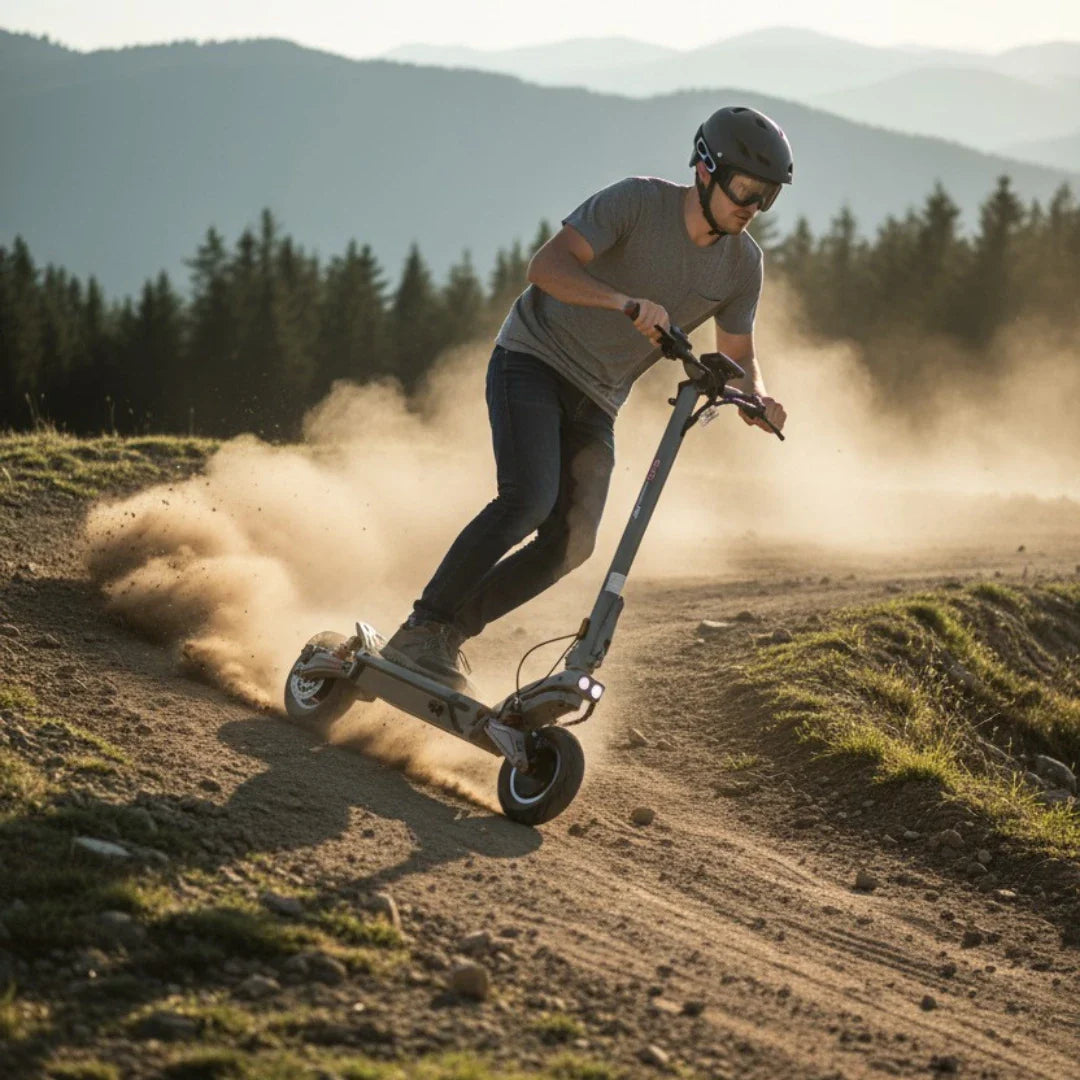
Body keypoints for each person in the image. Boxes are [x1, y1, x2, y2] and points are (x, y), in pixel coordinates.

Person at [382, 105, 791, 690]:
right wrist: (623, 302)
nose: (752, 207)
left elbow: (738, 353)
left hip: (598, 398)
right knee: (527, 499)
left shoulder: (743, 264)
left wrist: (758, 396)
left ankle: (444, 640)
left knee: (573, 542)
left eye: (766, 196)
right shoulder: (635, 201)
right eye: (745, 189)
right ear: (705, 171)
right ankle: (420, 629)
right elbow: (545, 267)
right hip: (532, 358)